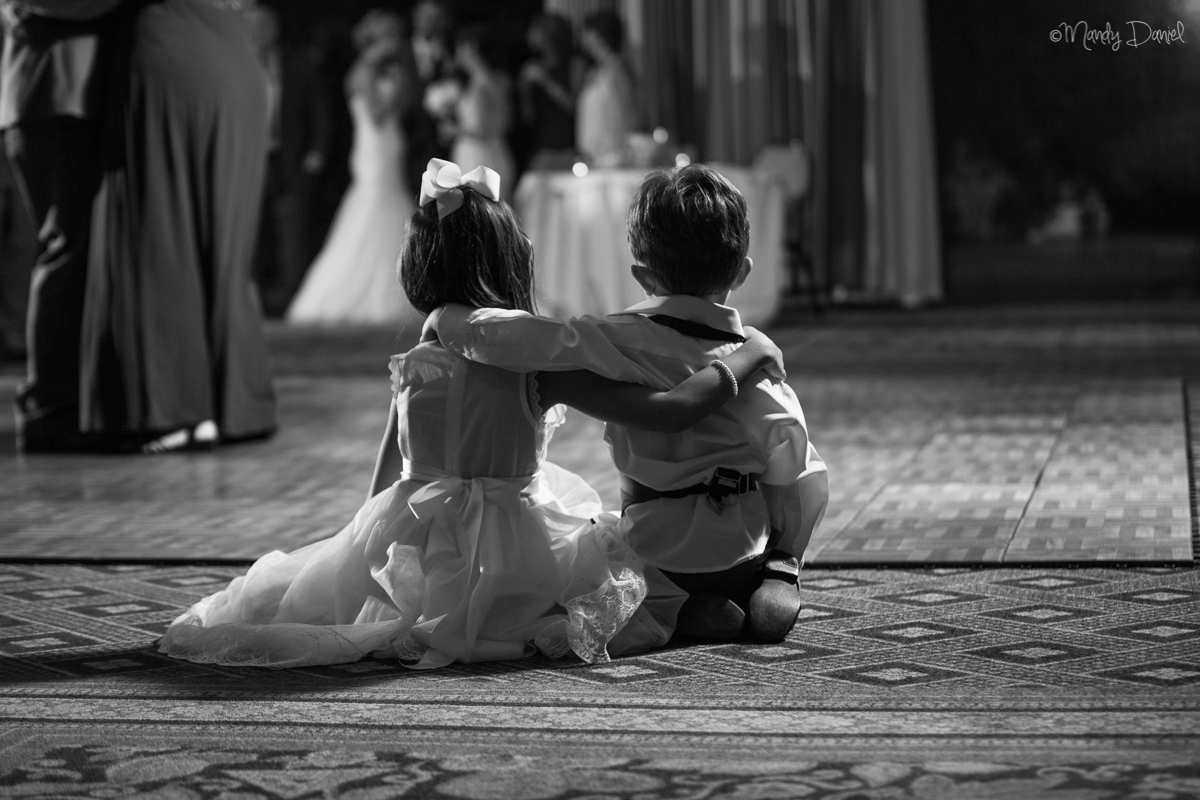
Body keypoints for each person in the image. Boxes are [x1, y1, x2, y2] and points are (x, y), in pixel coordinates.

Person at [158, 158, 785, 669]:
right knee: (609, 581)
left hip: (413, 539)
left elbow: (388, 476)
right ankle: (698, 609)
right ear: (512, 258)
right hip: (511, 548)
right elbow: (669, 410)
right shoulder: (534, 366)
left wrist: (361, 555)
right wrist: (749, 352)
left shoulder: (416, 361)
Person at [429, 164, 829, 643]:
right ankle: (777, 571)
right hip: (740, 556)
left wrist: (446, 319)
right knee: (793, 473)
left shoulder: (611, 340)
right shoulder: (760, 371)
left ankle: (675, 610)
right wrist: (786, 544)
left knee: (592, 573)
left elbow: (515, 337)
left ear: (642, 275)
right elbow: (802, 475)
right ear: (743, 272)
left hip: (655, 559)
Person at [79, 0, 277, 453]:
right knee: (226, 249)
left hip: (167, 49)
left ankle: (176, 410)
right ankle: (230, 408)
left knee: (159, 234)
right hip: (235, 57)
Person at [1, 0, 122, 452]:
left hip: (71, 101)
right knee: (67, 249)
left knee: (78, 250)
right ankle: (50, 408)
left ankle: (77, 402)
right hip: (53, 100)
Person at [287, 10, 421, 329]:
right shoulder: (362, 71)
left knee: (391, 206)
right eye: (393, 38)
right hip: (373, 151)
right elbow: (376, 115)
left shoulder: (385, 69)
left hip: (388, 148)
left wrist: (401, 86)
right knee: (374, 209)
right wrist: (397, 88)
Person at [247, 3, 332, 317]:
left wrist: (317, 151)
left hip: (289, 162)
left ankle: (289, 299)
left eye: (262, 27)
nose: (256, 34)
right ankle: (250, 300)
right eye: (251, 28)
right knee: (250, 235)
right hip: (246, 164)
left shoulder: (298, 65)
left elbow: (320, 111)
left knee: (292, 234)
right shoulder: (234, 65)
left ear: (275, 29)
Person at [447, 24, 515, 201]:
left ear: (470, 47)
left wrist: (454, 130)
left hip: (479, 157)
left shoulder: (482, 85)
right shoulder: (492, 80)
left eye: (460, 46)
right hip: (489, 152)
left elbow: (486, 129)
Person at [516, 12, 578, 172]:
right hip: (541, 147)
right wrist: (523, 89)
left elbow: (573, 105)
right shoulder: (532, 66)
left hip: (568, 147)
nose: (528, 35)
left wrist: (544, 80)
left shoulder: (574, 65)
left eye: (534, 30)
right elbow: (527, 116)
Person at [575, 10, 637, 168]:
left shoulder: (616, 69)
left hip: (612, 155)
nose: (583, 37)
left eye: (587, 32)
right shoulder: (597, 70)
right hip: (594, 154)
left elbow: (626, 111)